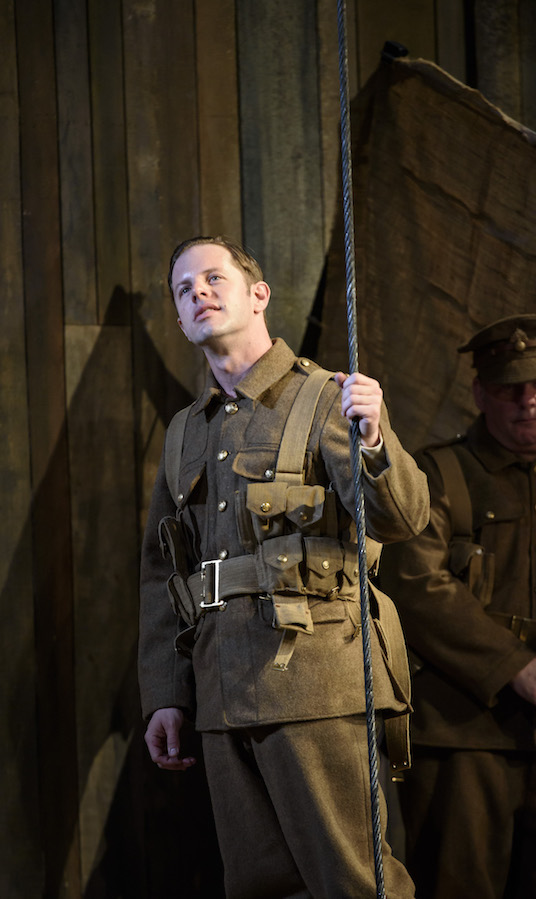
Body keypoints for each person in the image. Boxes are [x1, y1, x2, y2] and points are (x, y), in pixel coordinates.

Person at [138, 235, 429, 898]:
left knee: (356, 884)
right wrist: (166, 694)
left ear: (258, 294)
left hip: (317, 685)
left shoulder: (327, 397)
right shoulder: (187, 431)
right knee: (259, 887)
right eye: (184, 289)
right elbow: (163, 574)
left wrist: (374, 438)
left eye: (214, 278)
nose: (199, 292)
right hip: (221, 695)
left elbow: (403, 518)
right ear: (180, 320)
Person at [380, 313, 536, 899]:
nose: (528, 401)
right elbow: (416, 583)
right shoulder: (439, 473)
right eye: (509, 388)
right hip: (464, 734)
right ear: (480, 393)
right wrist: (517, 668)